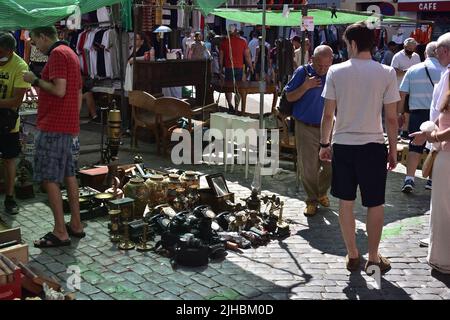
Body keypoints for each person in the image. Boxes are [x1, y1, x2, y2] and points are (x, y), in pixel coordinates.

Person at [320, 22, 400, 273]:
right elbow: (391, 118)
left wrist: (324, 143)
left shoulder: (336, 71)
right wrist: (394, 149)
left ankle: (353, 254)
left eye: (346, 44)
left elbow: (328, 114)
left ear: (353, 44)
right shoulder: (386, 73)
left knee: (346, 201)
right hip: (373, 145)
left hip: (343, 145)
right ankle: (373, 257)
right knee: (375, 203)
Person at [23, 26, 85, 247]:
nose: (35, 46)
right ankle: (76, 224)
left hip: (54, 126)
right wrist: (73, 122)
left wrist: (35, 79)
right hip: (66, 125)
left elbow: (59, 90)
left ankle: (60, 231)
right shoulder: (70, 53)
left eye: (34, 41)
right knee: (68, 175)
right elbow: (76, 92)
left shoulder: (58, 54)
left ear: (43, 36)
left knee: (50, 178)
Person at [409, 32, 450, 274]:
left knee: (444, 205)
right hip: (442, 146)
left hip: (445, 147)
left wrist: (433, 136)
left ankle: (443, 257)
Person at [285, 45, 334, 216]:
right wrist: (306, 86)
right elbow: (289, 96)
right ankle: (312, 200)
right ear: (312, 60)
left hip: (328, 128)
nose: (322, 69)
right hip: (305, 126)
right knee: (309, 167)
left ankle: (321, 193)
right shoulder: (302, 72)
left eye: (326, 66)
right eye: (319, 65)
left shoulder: (334, 74)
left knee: (330, 166)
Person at [398, 41, 445, 193]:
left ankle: (409, 179)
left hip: (417, 113)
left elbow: (402, 93)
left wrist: (401, 114)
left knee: (414, 146)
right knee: (436, 147)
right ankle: (431, 180)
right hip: (438, 114)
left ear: (425, 53)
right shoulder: (444, 71)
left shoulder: (412, 70)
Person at [0, 32, 31, 215]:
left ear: (10, 51)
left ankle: (10, 198)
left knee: (9, 159)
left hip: (7, 121)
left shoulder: (20, 67)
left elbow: (16, 101)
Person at [391, 38, 421, 138]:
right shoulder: (397, 56)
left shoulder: (416, 56)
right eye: (409, 49)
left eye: (413, 49)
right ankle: (396, 129)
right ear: (404, 47)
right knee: (399, 110)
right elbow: (393, 70)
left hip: (413, 88)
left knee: (408, 110)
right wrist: (406, 71)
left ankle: (405, 130)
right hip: (400, 87)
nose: (411, 51)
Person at [219, 24, 253, 113]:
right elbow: (247, 56)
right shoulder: (243, 42)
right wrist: (251, 67)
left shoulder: (224, 43)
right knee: (238, 89)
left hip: (228, 68)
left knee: (229, 88)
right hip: (239, 68)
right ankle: (237, 108)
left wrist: (220, 69)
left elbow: (221, 58)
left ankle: (230, 105)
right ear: (235, 31)